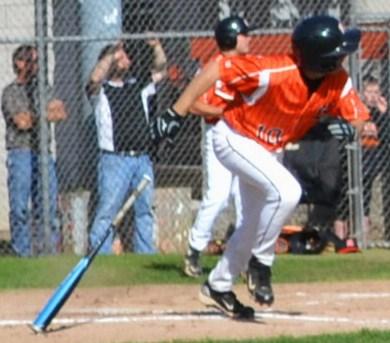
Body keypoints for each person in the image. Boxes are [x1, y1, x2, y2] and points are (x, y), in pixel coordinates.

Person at [151, 15, 375, 319]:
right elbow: (218, 68)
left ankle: (218, 285)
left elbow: (359, 117)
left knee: (254, 222)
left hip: (268, 150)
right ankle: (261, 263)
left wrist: (352, 129)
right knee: (287, 191)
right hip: (234, 138)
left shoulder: (338, 80)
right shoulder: (275, 70)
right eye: (338, 52)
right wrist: (176, 112)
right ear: (320, 59)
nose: (344, 56)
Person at [183, 15, 251, 278]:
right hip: (219, 133)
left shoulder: (250, 66)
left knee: (245, 198)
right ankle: (194, 249)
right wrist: (223, 111)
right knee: (218, 196)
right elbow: (192, 104)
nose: (249, 39)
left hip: (245, 137)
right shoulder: (213, 68)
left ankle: (244, 259)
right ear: (233, 38)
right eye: (244, 35)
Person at [85, 38, 167, 254]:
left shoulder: (137, 85)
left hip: (141, 158)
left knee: (145, 209)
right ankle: (100, 254)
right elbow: (94, 78)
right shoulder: (101, 91)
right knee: (108, 210)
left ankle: (145, 253)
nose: (124, 59)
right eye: (119, 56)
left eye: (125, 55)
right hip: (115, 159)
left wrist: (156, 46)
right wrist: (112, 53)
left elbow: (161, 70)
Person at [1, 45, 67, 257]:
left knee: (47, 207)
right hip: (20, 152)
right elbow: (21, 122)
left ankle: (46, 251)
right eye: (31, 61)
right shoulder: (10, 92)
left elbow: (61, 112)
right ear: (19, 63)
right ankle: (22, 251)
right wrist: (44, 113)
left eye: (37, 61)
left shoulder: (43, 88)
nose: (35, 66)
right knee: (20, 207)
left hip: (43, 153)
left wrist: (36, 116)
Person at [360, 75, 390, 244]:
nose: (372, 96)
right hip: (358, 157)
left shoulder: (381, 112)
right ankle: (348, 238)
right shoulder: (358, 111)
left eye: (376, 92)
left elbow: (386, 137)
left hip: (374, 160)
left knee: (366, 199)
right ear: (362, 93)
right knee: (348, 201)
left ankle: (364, 239)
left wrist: (385, 114)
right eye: (369, 92)